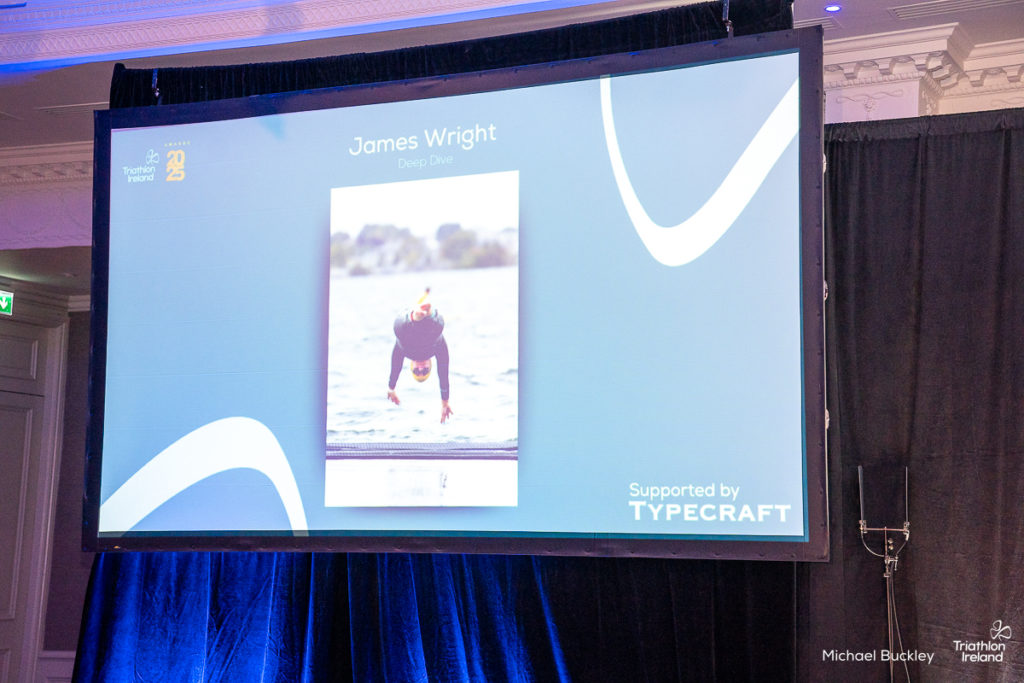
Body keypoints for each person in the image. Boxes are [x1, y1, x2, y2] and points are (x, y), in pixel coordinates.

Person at [387, 289, 453, 423]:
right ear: (430, 365)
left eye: (417, 371)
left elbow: (395, 367)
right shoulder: (438, 351)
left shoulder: (402, 353)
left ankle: (416, 315)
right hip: (432, 328)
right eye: (425, 371)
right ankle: (426, 313)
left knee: (400, 331)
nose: (421, 368)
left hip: (405, 328)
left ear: (411, 366)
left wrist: (391, 387)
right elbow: (443, 374)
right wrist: (444, 402)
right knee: (438, 327)